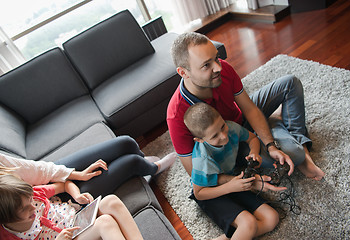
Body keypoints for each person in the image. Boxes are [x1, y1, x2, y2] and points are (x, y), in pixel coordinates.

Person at [167, 32, 324, 189]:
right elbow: (195, 174)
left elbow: (249, 108)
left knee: (290, 83)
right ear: (183, 72)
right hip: (232, 142)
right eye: (206, 65)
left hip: (242, 119)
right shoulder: (176, 115)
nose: (218, 67)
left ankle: (301, 147)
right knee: (294, 155)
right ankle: (278, 127)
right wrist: (249, 181)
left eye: (216, 57)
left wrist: (271, 145)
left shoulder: (223, 70)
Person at [184, 102, 281, 240]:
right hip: (210, 193)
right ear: (199, 140)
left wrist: (254, 152)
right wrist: (229, 188)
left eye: (222, 126)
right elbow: (199, 193)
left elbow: (252, 138)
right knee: (248, 223)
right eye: (214, 136)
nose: (223, 136)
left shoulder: (231, 127)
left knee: (272, 218)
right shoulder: (202, 159)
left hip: (232, 181)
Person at [0, 136, 177, 197]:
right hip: (57, 202)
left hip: (47, 178)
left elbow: (38, 170)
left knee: (126, 143)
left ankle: (144, 165)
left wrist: (79, 174)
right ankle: (153, 169)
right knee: (131, 161)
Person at [0, 167, 144, 240]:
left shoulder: (36, 194)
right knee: (105, 222)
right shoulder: (8, 235)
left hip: (78, 218)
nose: (33, 207)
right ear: (9, 217)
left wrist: (77, 196)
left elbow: (64, 184)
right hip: (70, 237)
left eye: (30, 200)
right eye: (25, 209)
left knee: (110, 201)